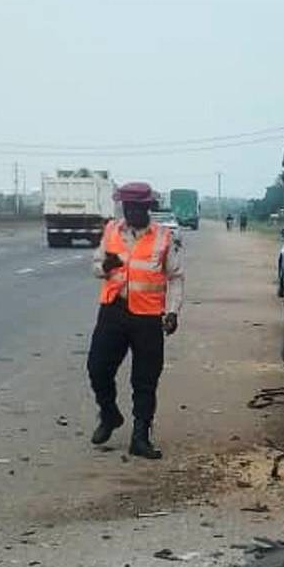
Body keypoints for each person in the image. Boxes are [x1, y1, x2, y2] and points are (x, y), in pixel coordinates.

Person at [88, 182, 184, 458]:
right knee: (97, 368)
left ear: (148, 208)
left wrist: (173, 311)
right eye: (128, 207)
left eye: (137, 208)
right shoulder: (111, 230)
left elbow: (176, 277)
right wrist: (105, 266)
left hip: (148, 317)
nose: (132, 212)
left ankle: (140, 436)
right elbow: (96, 266)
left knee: (145, 379)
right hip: (113, 311)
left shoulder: (163, 237)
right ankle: (109, 414)